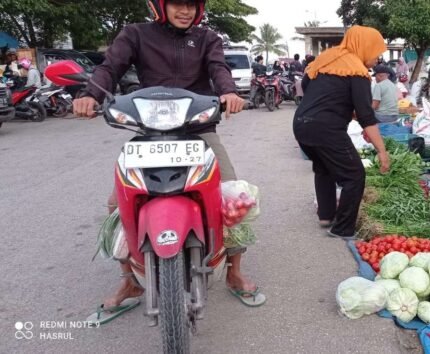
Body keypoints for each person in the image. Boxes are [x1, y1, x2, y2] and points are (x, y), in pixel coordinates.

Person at [72, 0, 258, 319]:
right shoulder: (135, 34)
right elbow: (109, 67)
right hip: (148, 132)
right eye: (177, 4)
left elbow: (218, 68)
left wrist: (228, 92)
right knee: (117, 203)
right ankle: (130, 280)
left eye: (191, 5)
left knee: (232, 197)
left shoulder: (206, 38)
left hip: (199, 129)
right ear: (161, 5)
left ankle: (234, 270)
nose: (185, 11)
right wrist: (91, 95)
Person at [293, 25, 391, 239]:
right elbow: (367, 116)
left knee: (323, 168)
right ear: (365, 46)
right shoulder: (357, 71)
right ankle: (343, 229)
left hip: (301, 123)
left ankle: (326, 215)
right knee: (354, 176)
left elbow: (309, 85)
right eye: (376, 52)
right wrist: (382, 151)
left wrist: (337, 108)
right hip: (326, 129)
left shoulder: (326, 58)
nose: (377, 58)